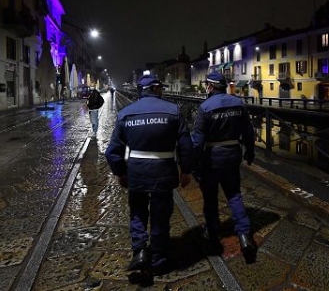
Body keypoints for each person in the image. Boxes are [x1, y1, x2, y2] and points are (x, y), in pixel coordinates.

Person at [104, 73, 194, 277]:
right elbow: (186, 146)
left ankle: (140, 251)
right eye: (160, 87)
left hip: (136, 173)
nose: (162, 90)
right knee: (160, 216)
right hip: (164, 172)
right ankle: (159, 258)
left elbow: (112, 152)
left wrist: (121, 173)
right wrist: (186, 170)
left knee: (137, 213)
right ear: (154, 88)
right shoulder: (174, 111)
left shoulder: (126, 114)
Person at [191, 71, 257, 264]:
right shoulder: (239, 103)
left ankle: (212, 231)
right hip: (233, 154)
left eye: (207, 85)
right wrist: (250, 151)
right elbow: (248, 132)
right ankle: (244, 235)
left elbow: (197, 141)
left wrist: (194, 164)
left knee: (210, 196)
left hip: (212, 158)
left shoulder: (205, 107)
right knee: (234, 194)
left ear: (211, 86)